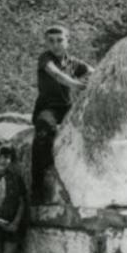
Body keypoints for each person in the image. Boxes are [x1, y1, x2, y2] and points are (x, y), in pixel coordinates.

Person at [31, 25, 94, 203]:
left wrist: (92, 80)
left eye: (60, 40)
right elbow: (56, 74)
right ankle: (37, 187)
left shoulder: (73, 62)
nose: (56, 45)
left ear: (68, 42)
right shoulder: (45, 58)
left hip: (67, 108)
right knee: (44, 130)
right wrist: (76, 84)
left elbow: (93, 71)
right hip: (48, 108)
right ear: (46, 43)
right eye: (51, 41)